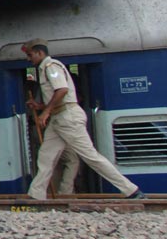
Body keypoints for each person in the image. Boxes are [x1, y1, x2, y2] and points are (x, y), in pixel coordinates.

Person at [22, 38, 144, 200]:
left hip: (68, 118)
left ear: (39, 52)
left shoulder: (51, 66)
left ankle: (131, 190)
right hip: (60, 118)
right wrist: (39, 106)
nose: (29, 59)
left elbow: (62, 90)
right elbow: (58, 97)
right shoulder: (45, 68)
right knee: (46, 156)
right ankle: (36, 195)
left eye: (30, 55)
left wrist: (45, 112)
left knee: (90, 157)